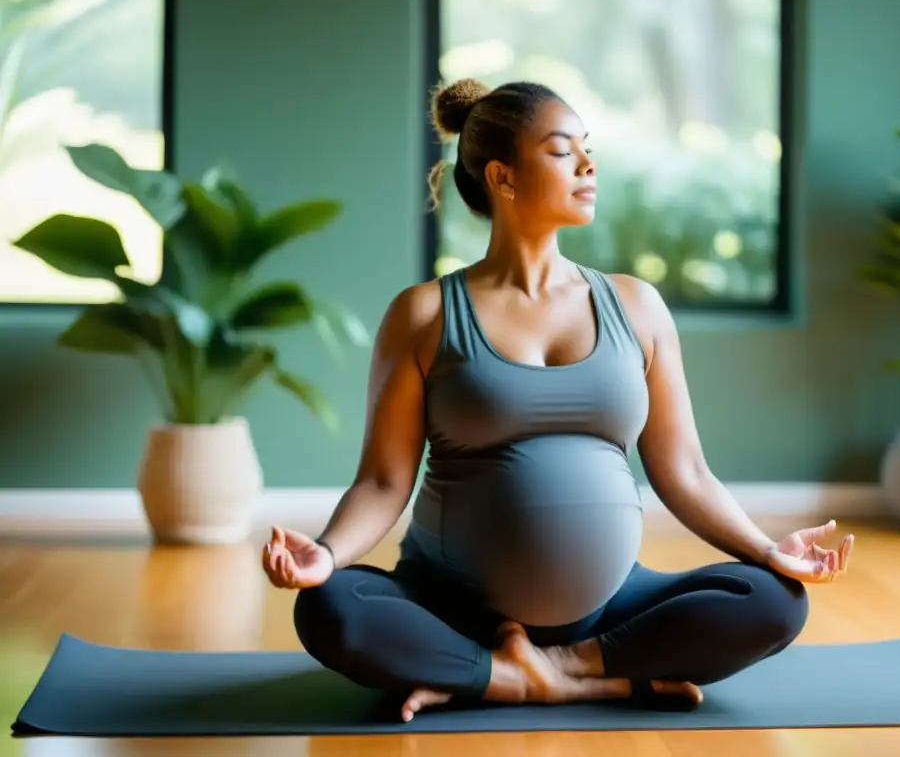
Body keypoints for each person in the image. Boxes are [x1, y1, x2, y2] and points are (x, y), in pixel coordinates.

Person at [262, 78, 854, 723]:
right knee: (328, 606)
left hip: (609, 607)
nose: (588, 165)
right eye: (562, 150)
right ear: (503, 177)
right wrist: (324, 554)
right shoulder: (425, 313)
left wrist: (769, 551)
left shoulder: (637, 306)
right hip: (450, 606)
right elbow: (382, 482)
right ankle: (579, 674)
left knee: (773, 600)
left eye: (587, 149)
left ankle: (535, 673)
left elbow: (683, 472)